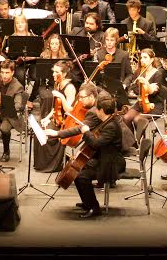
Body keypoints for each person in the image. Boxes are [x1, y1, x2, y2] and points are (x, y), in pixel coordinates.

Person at [44, 90, 125, 218]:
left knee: (81, 176)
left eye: (97, 110)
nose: (95, 111)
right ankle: (87, 202)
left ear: (102, 111)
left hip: (110, 163)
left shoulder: (111, 126)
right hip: (101, 157)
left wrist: (86, 132)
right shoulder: (106, 121)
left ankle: (94, 207)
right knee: (76, 171)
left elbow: (96, 143)